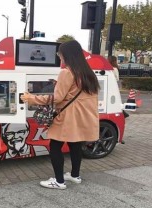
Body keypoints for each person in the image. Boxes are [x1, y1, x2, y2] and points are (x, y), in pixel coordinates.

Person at [20, 40, 100, 190]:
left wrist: (31, 98)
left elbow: (57, 98)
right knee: (75, 145)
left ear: (66, 55)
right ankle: (75, 176)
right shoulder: (88, 73)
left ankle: (59, 181)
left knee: (55, 146)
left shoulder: (67, 72)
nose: (59, 56)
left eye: (60, 53)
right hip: (81, 117)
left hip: (66, 118)